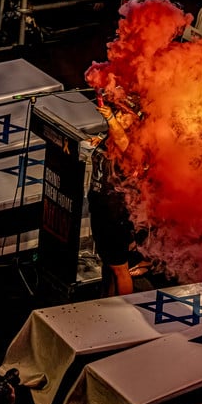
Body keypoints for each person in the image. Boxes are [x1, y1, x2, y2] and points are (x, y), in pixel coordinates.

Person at [87, 103, 151, 296]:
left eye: (125, 114)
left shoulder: (133, 142)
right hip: (101, 208)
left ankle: (123, 312)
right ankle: (105, 303)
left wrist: (111, 119)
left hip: (117, 213)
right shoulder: (111, 137)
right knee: (109, 265)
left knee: (119, 268)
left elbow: (124, 143)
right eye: (118, 112)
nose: (120, 116)